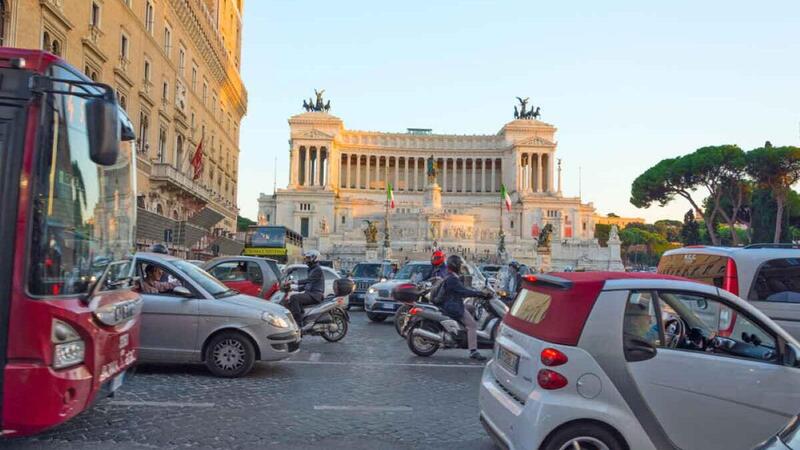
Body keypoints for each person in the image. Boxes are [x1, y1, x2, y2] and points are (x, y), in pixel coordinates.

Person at [440, 255, 491, 361]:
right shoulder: (452, 279)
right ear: (456, 266)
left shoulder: (450, 276)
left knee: (472, 308)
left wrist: (476, 291)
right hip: (453, 306)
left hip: (452, 303)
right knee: (472, 325)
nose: (460, 267)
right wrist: (480, 294)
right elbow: (464, 292)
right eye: (459, 265)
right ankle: (473, 351)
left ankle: (464, 332)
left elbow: (462, 289)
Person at [286, 249, 325, 325]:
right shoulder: (311, 269)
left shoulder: (317, 269)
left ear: (314, 258)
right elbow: (307, 285)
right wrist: (292, 288)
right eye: (306, 258)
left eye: (308, 258)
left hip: (315, 295)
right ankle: (303, 317)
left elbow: (308, 280)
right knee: (294, 299)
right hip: (311, 293)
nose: (306, 260)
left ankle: (298, 322)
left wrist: (294, 282)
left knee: (294, 298)